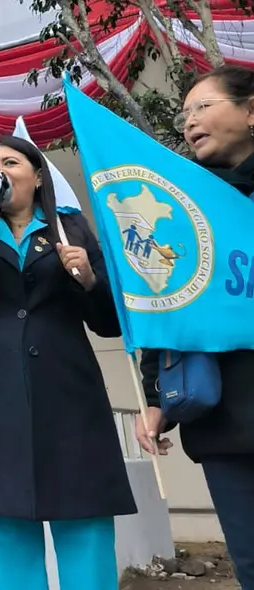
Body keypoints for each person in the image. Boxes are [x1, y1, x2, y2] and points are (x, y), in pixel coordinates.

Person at [0, 135, 137, 590]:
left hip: (68, 400)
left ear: (38, 175)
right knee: (8, 531)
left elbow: (109, 323)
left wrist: (86, 279)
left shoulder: (72, 228)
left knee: (84, 523)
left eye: (10, 160)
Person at [136, 65, 254, 590]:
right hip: (224, 417)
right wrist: (154, 396)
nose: (189, 121)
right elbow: (164, 302)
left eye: (203, 106)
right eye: (184, 114)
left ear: (251, 111)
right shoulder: (185, 207)